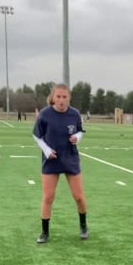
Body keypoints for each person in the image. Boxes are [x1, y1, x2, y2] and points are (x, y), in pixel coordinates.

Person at [32, 84, 88, 243]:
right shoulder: (45, 114)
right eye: (58, 97)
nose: (62, 100)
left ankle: (83, 225)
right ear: (53, 98)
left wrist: (77, 137)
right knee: (48, 196)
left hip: (70, 158)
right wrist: (46, 151)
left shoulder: (75, 114)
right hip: (51, 160)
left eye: (65, 97)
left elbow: (80, 130)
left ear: (69, 98)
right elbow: (37, 136)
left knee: (78, 196)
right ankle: (45, 232)